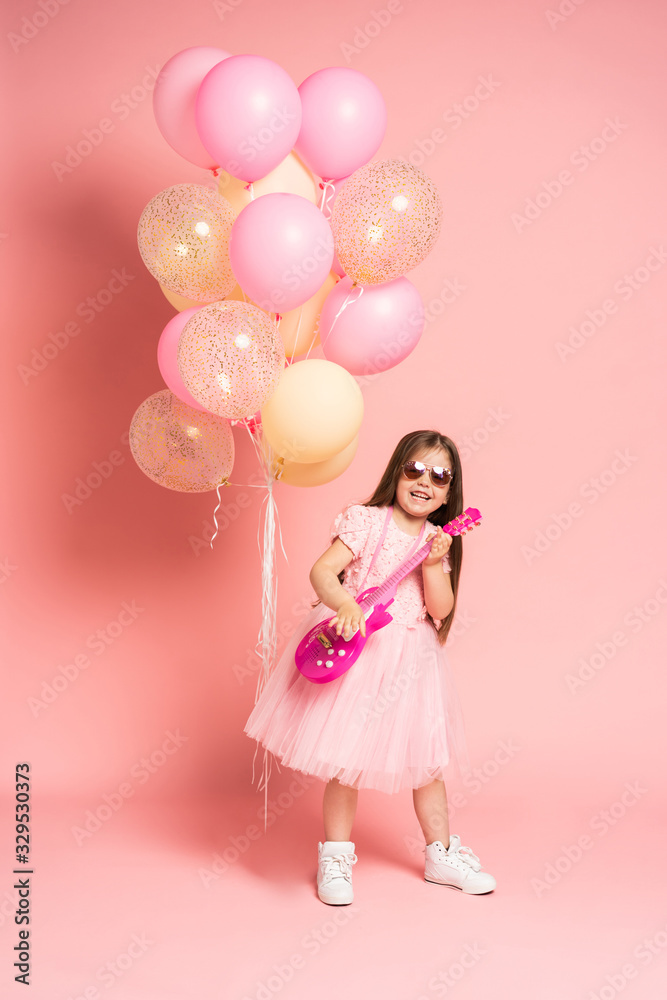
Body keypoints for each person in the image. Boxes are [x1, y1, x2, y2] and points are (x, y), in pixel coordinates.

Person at [243, 429, 496, 903]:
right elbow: (322, 571)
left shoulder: (436, 542)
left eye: (440, 477)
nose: (425, 481)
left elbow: (439, 610)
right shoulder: (366, 522)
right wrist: (343, 604)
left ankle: (440, 854)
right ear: (397, 471)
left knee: (427, 764)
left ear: (449, 494)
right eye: (415, 469)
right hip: (359, 654)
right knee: (346, 762)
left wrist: (434, 565)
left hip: (410, 663)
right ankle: (336, 856)